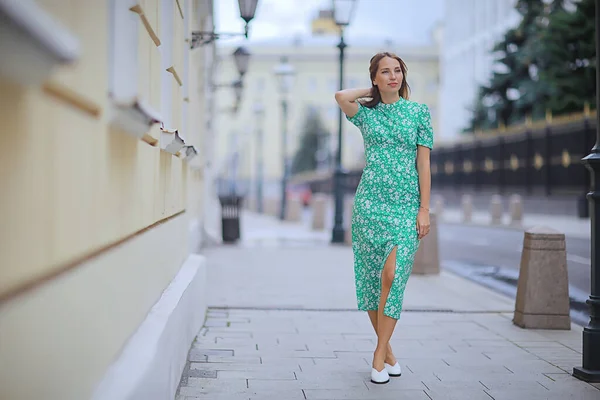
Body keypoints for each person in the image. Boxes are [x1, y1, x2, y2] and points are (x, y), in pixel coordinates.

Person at [334, 52, 433, 384]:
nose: (394, 76)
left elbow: (424, 165)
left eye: (398, 71)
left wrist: (424, 209)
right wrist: (373, 90)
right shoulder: (367, 114)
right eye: (385, 72)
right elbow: (340, 97)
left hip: (406, 208)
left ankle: (378, 355)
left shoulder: (418, 112)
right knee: (372, 282)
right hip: (369, 207)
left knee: (392, 275)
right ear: (375, 77)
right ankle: (388, 352)